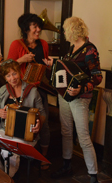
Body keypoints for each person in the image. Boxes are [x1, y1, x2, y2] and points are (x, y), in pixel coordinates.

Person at [43, 17, 102, 183]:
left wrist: (81, 89)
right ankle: (67, 165)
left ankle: (93, 176)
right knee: (66, 132)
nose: (63, 33)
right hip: (65, 97)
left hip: (80, 98)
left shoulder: (90, 50)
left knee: (83, 137)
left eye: (65, 30)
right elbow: (67, 70)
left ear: (73, 30)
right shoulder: (72, 48)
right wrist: (52, 64)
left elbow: (97, 78)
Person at [0, 60, 46, 177]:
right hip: (5, 130)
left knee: (8, 150)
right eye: (8, 75)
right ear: (5, 78)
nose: (12, 78)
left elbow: (42, 113)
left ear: (20, 73)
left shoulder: (32, 91)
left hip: (26, 134)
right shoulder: (3, 90)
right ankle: (2, 173)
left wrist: (38, 125)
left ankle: (8, 176)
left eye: (14, 73)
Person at [7, 13, 50, 169]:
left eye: (39, 27)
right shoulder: (16, 45)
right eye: (34, 27)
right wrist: (21, 60)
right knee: (22, 121)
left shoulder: (44, 44)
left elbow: (44, 67)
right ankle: (19, 155)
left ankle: (43, 157)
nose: (38, 30)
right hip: (22, 90)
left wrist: (50, 65)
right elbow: (8, 67)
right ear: (26, 29)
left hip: (40, 89)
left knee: (43, 122)